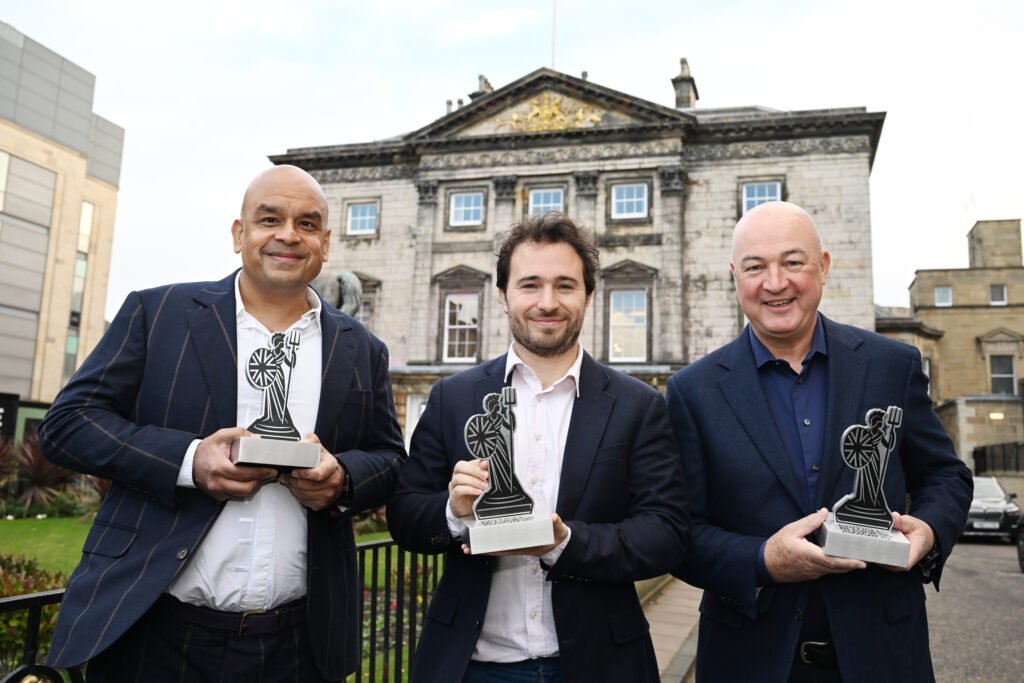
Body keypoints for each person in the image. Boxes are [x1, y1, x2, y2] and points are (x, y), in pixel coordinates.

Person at [38, 165, 406, 682]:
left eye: (306, 223)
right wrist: (190, 462)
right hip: (155, 632)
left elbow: (390, 459)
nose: (287, 235)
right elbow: (67, 424)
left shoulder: (362, 348)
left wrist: (341, 479)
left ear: (325, 242)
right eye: (269, 219)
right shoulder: (157, 312)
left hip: (300, 645)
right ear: (239, 234)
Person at [665, 201, 972, 682]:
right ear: (734, 277)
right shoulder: (692, 390)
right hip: (749, 660)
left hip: (884, 655)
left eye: (792, 262)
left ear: (823, 267)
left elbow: (946, 475)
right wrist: (763, 560)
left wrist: (928, 531)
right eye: (754, 267)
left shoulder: (892, 365)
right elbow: (680, 531)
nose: (775, 283)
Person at [387, 211, 689, 682]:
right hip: (472, 667)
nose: (547, 302)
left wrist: (564, 543)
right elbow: (405, 515)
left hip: (596, 665)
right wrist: (452, 512)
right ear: (503, 295)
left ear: (589, 295)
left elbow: (666, 533)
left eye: (565, 285)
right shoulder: (453, 397)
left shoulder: (639, 405)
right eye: (530, 285)